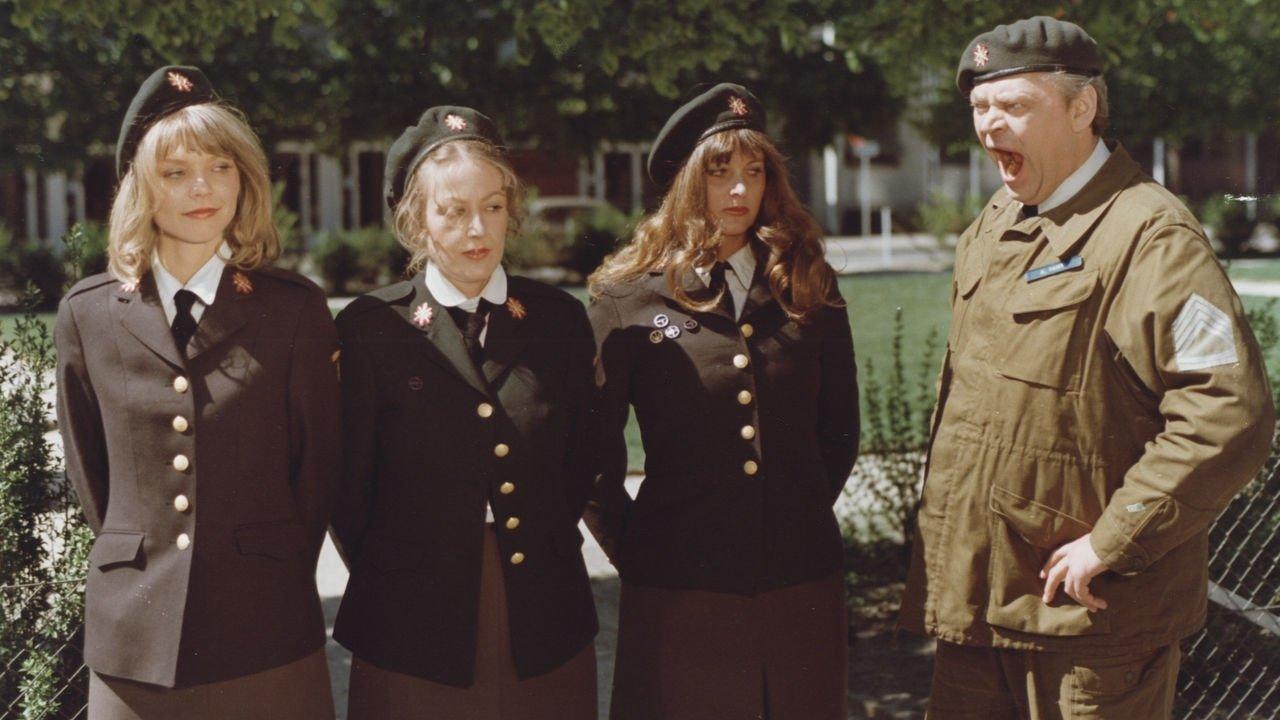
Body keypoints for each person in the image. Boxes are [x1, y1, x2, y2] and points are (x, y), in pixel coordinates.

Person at [898, 17, 1275, 720]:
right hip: (978, 609)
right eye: (980, 108)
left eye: (1013, 106)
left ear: (1081, 108)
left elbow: (1228, 414)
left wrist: (1112, 540)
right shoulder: (998, 222)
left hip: (1087, 624)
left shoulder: (1150, 234)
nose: (990, 127)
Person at [54, 65, 340, 719]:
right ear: (140, 187)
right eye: (175, 172)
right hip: (136, 641)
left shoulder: (293, 311)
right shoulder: (89, 314)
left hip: (265, 629)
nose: (202, 189)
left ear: (246, 179)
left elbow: (317, 471)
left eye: (220, 167)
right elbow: (92, 475)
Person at [586, 83, 860, 720]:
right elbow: (589, 456)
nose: (740, 191)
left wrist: (787, 516)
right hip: (678, 586)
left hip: (798, 576)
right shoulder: (625, 299)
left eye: (753, 171)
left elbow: (839, 432)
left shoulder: (811, 285)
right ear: (686, 182)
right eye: (719, 173)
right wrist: (645, 552)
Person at [330, 106, 599, 720]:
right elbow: (348, 491)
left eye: (494, 207)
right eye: (453, 211)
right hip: (410, 622)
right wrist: (406, 567)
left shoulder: (558, 321)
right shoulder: (373, 329)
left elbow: (588, 457)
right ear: (415, 221)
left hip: (542, 613)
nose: (478, 229)